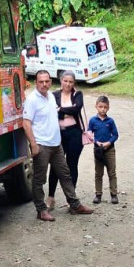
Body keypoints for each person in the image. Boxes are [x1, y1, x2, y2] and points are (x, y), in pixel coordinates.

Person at [22, 69, 94, 221]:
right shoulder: (32, 100)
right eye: (41, 81)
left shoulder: (51, 97)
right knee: (40, 179)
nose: (44, 84)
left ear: (50, 81)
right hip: (42, 144)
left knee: (65, 174)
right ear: (36, 82)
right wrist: (33, 144)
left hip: (56, 143)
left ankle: (74, 204)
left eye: (47, 81)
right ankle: (41, 210)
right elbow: (26, 123)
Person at [46, 72, 85, 210]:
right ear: (60, 81)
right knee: (56, 165)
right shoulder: (54, 95)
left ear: (74, 83)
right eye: (65, 81)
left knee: (72, 165)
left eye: (71, 82)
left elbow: (76, 109)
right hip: (58, 134)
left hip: (74, 133)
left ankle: (72, 201)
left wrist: (61, 110)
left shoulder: (77, 94)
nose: (68, 84)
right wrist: (66, 111)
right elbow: (51, 111)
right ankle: (50, 197)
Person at [88, 95, 119, 204]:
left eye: (105, 107)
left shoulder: (110, 121)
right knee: (98, 172)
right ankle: (98, 194)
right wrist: (96, 142)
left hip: (109, 149)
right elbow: (89, 134)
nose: (102, 109)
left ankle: (114, 194)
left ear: (108, 108)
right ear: (96, 106)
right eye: (100, 107)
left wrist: (109, 142)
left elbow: (115, 134)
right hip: (98, 150)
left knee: (112, 172)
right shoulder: (92, 120)